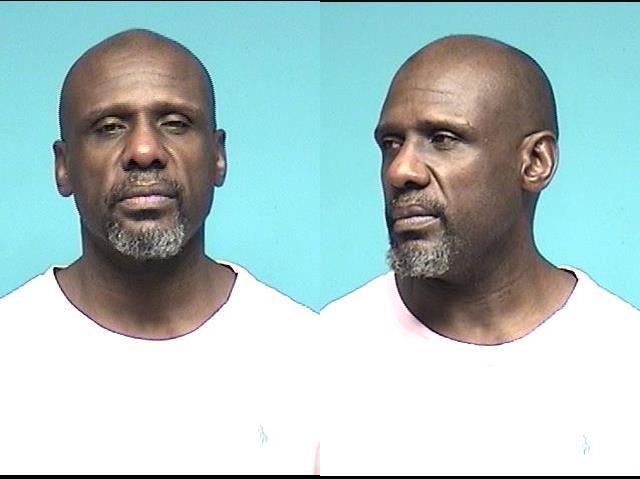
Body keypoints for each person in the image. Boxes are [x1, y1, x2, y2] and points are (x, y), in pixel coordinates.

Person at [0, 29, 318, 474]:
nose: (144, 150)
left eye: (175, 123)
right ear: (63, 166)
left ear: (218, 156)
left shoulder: (312, 357)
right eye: (109, 127)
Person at [320, 34, 640, 475]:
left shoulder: (625, 359)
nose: (400, 170)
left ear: (535, 162)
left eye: (442, 139)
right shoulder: (325, 351)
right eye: (391, 143)